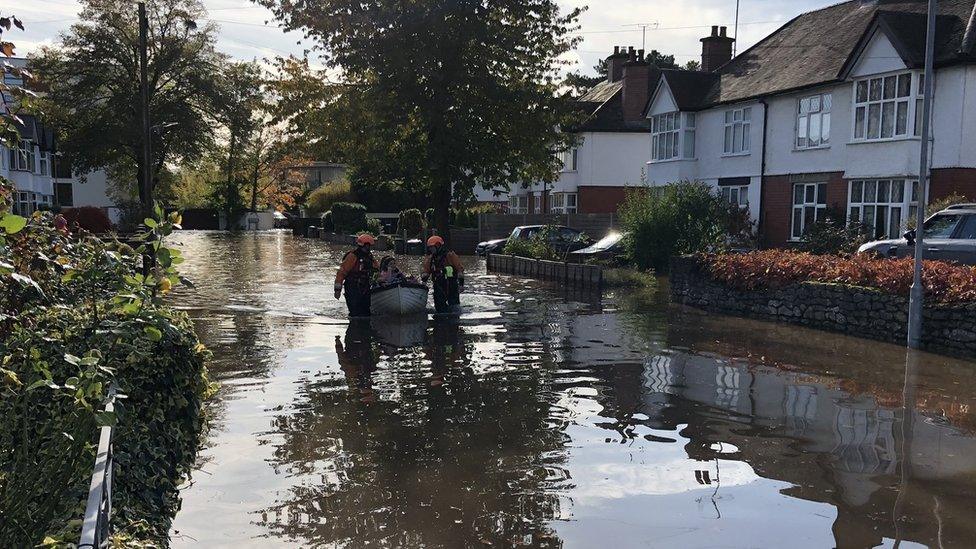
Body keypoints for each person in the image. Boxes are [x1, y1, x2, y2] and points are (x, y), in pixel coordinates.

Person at [335, 234, 379, 317]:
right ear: (364, 245)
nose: (369, 248)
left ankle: (364, 328)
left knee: (366, 313)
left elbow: (377, 269)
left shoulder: (370, 257)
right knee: (354, 312)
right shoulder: (352, 256)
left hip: (365, 287)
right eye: (368, 246)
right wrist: (337, 290)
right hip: (352, 287)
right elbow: (341, 273)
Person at [421, 235, 464, 314]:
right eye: (430, 248)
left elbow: (460, 270)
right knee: (440, 310)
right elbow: (426, 271)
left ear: (438, 245)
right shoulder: (431, 259)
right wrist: (423, 280)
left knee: (455, 309)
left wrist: (461, 284)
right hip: (438, 286)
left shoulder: (450, 256)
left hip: (451, 285)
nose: (431, 250)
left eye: (432, 247)